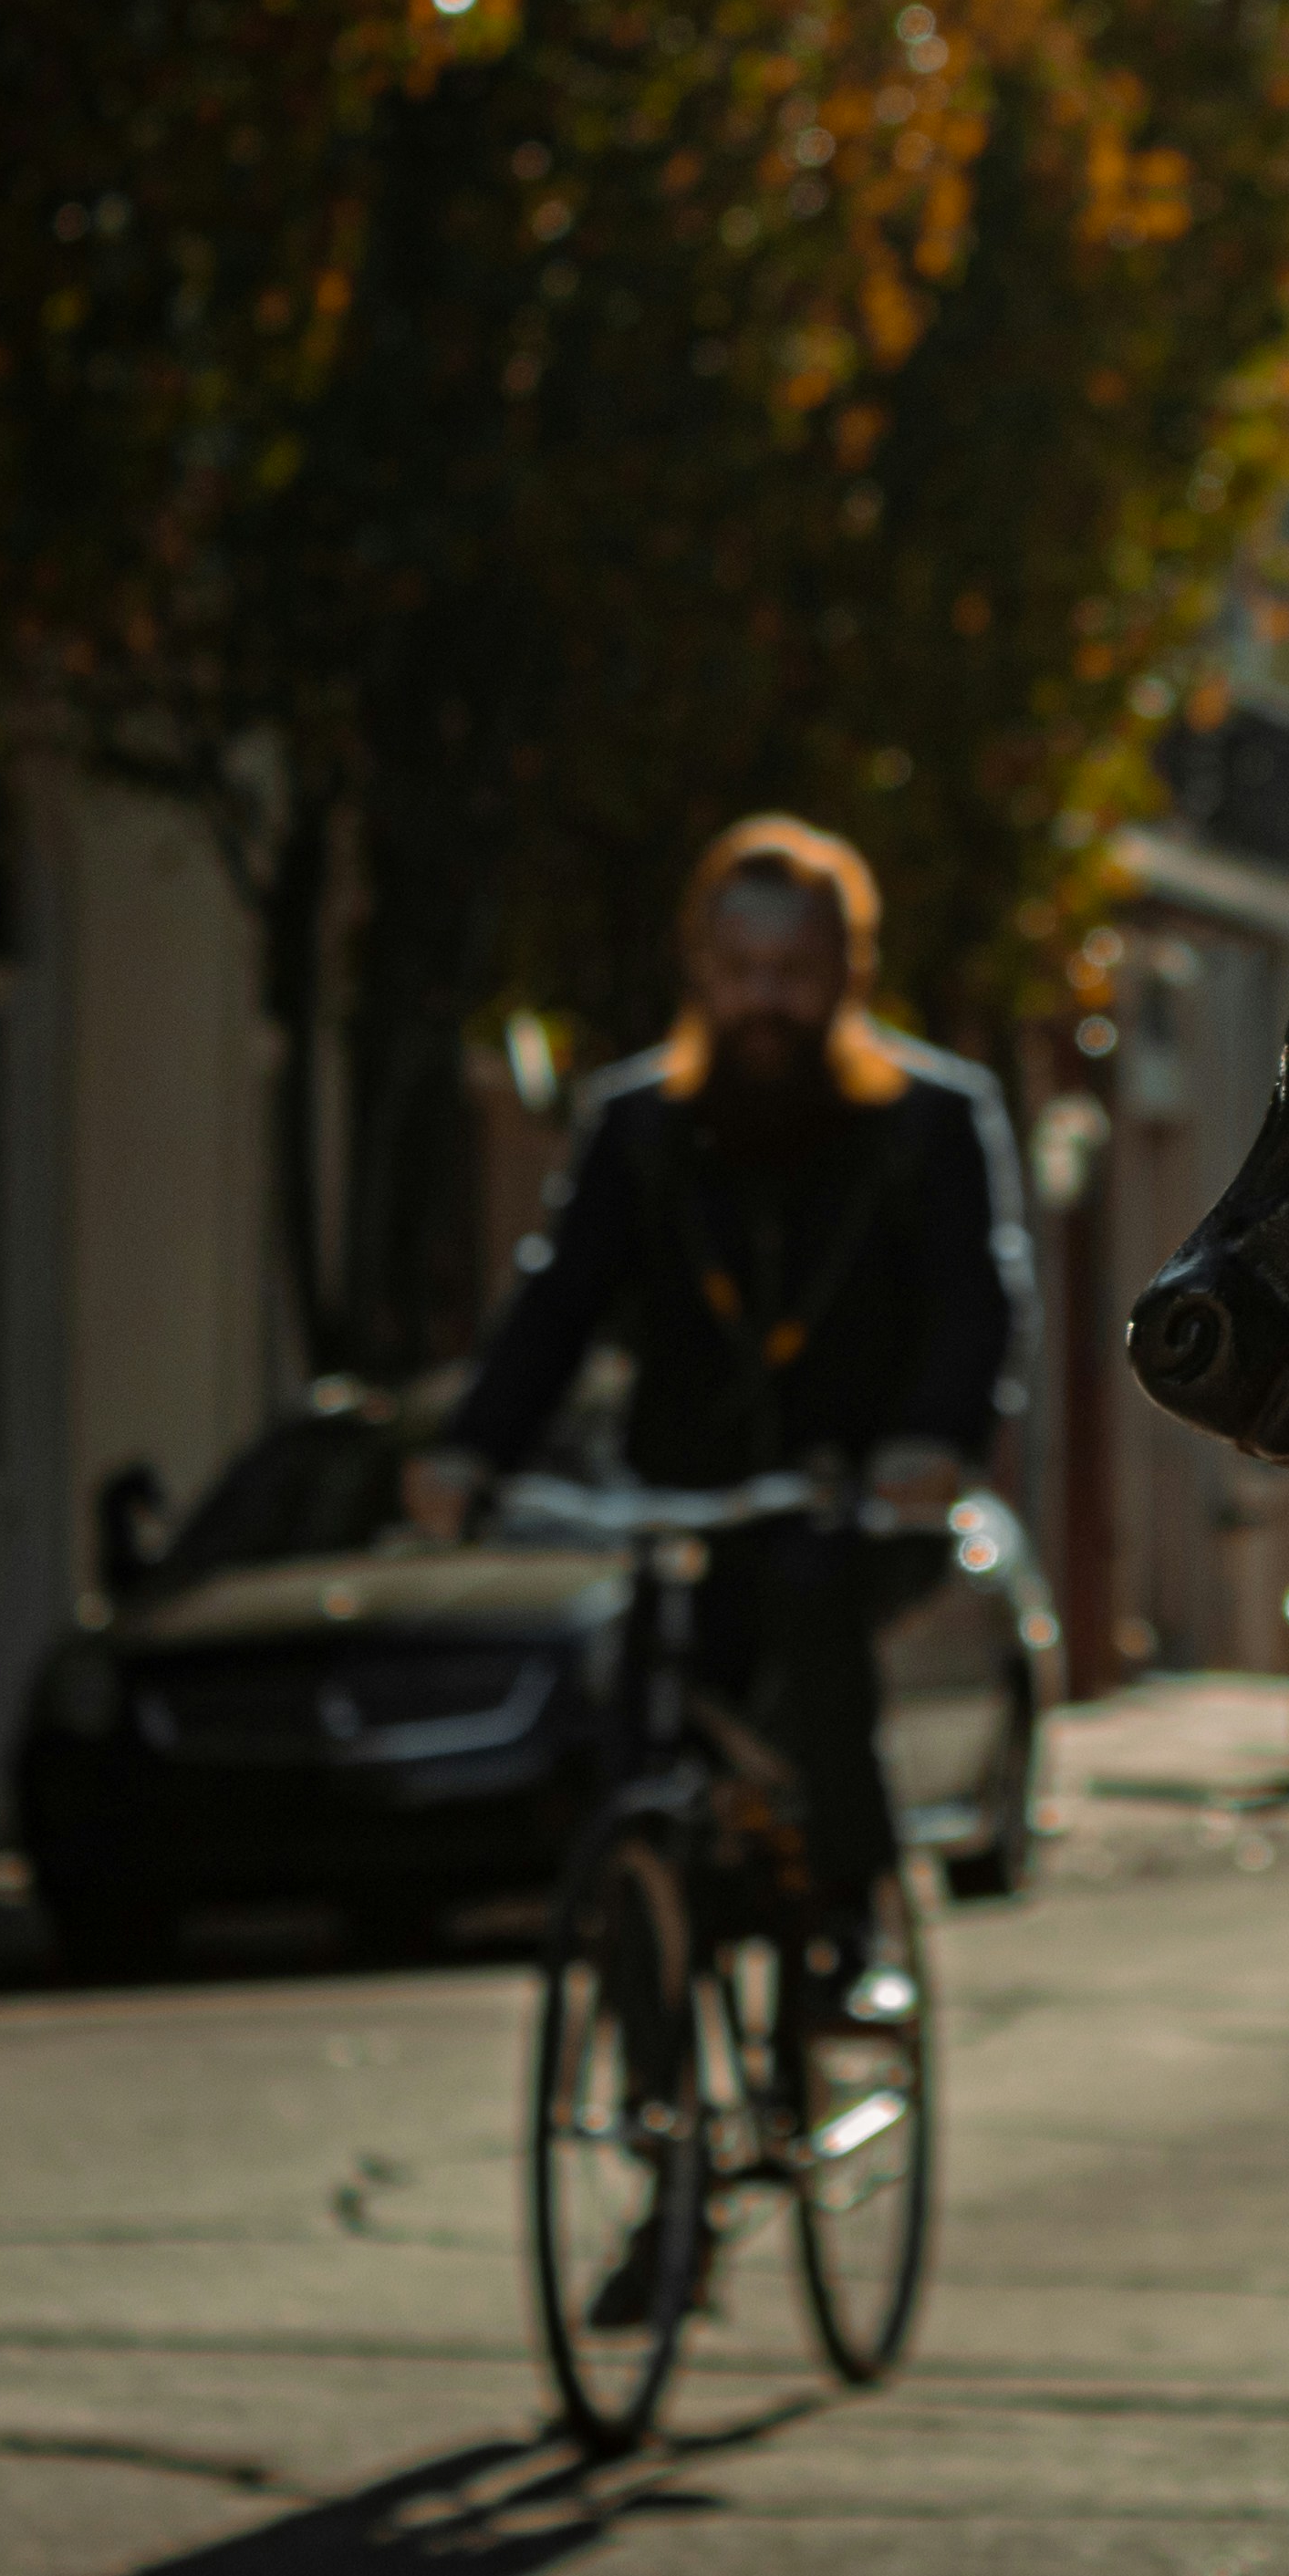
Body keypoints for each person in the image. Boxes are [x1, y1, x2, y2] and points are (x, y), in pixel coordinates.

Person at [407, 816, 1032, 2011]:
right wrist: (468, 1454)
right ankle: (650, 2048)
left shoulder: (930, 1119)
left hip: (856, 1496)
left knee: (811, 1600)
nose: (766, 1003)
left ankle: (850, 1928)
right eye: (741, 974)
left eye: (794, 976)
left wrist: (931, 1444)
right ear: (700, 970)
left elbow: (977, 1302)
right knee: (633, 1695)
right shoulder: (637, 1125)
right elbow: (558, 1301)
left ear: (848, 974)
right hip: (683, 1494)